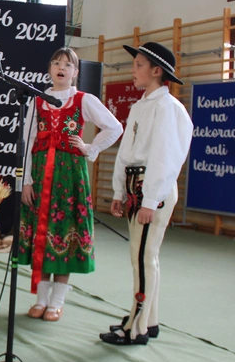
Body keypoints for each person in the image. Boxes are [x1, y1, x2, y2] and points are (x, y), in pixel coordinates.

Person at [18, 47, 122, 322]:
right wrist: (26, 181)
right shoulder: (37, 101)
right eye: (56, 62)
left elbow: (114, 127)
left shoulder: (83, 99)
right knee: (42, 235)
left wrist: (90, 148)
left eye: (68, 64)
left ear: (76, 72)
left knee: (66, 234)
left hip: (70, 177)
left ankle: (57, 302)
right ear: (50, 68)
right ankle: (40, 299)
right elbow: (27, 142)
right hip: (40, 176)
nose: (61, 67)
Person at [99, 42, 192, 346]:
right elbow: (127, 151)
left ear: (156, 71)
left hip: (153, 190)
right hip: (135, 186)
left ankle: (135, 328)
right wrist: (117, 189)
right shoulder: (141, 105)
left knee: (142, 258)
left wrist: (151, 200)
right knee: (144, 257)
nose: (132, 69)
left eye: (138, 64)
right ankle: (147, 319)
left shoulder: (168, 108)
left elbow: (166, 158)